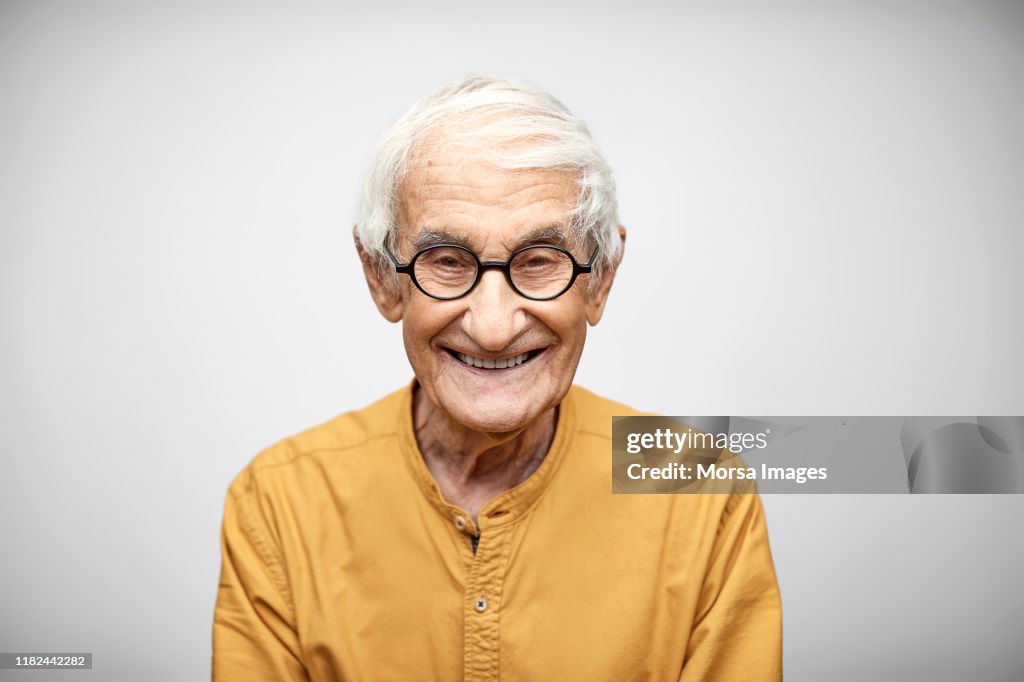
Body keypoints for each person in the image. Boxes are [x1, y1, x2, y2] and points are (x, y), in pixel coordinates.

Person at [212, 75, 782, 681]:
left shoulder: (699, 490)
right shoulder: (280, 502)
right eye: (448, 261)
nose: (491, 327)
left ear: (601, 278)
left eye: (539, 260)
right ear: (382, 277)